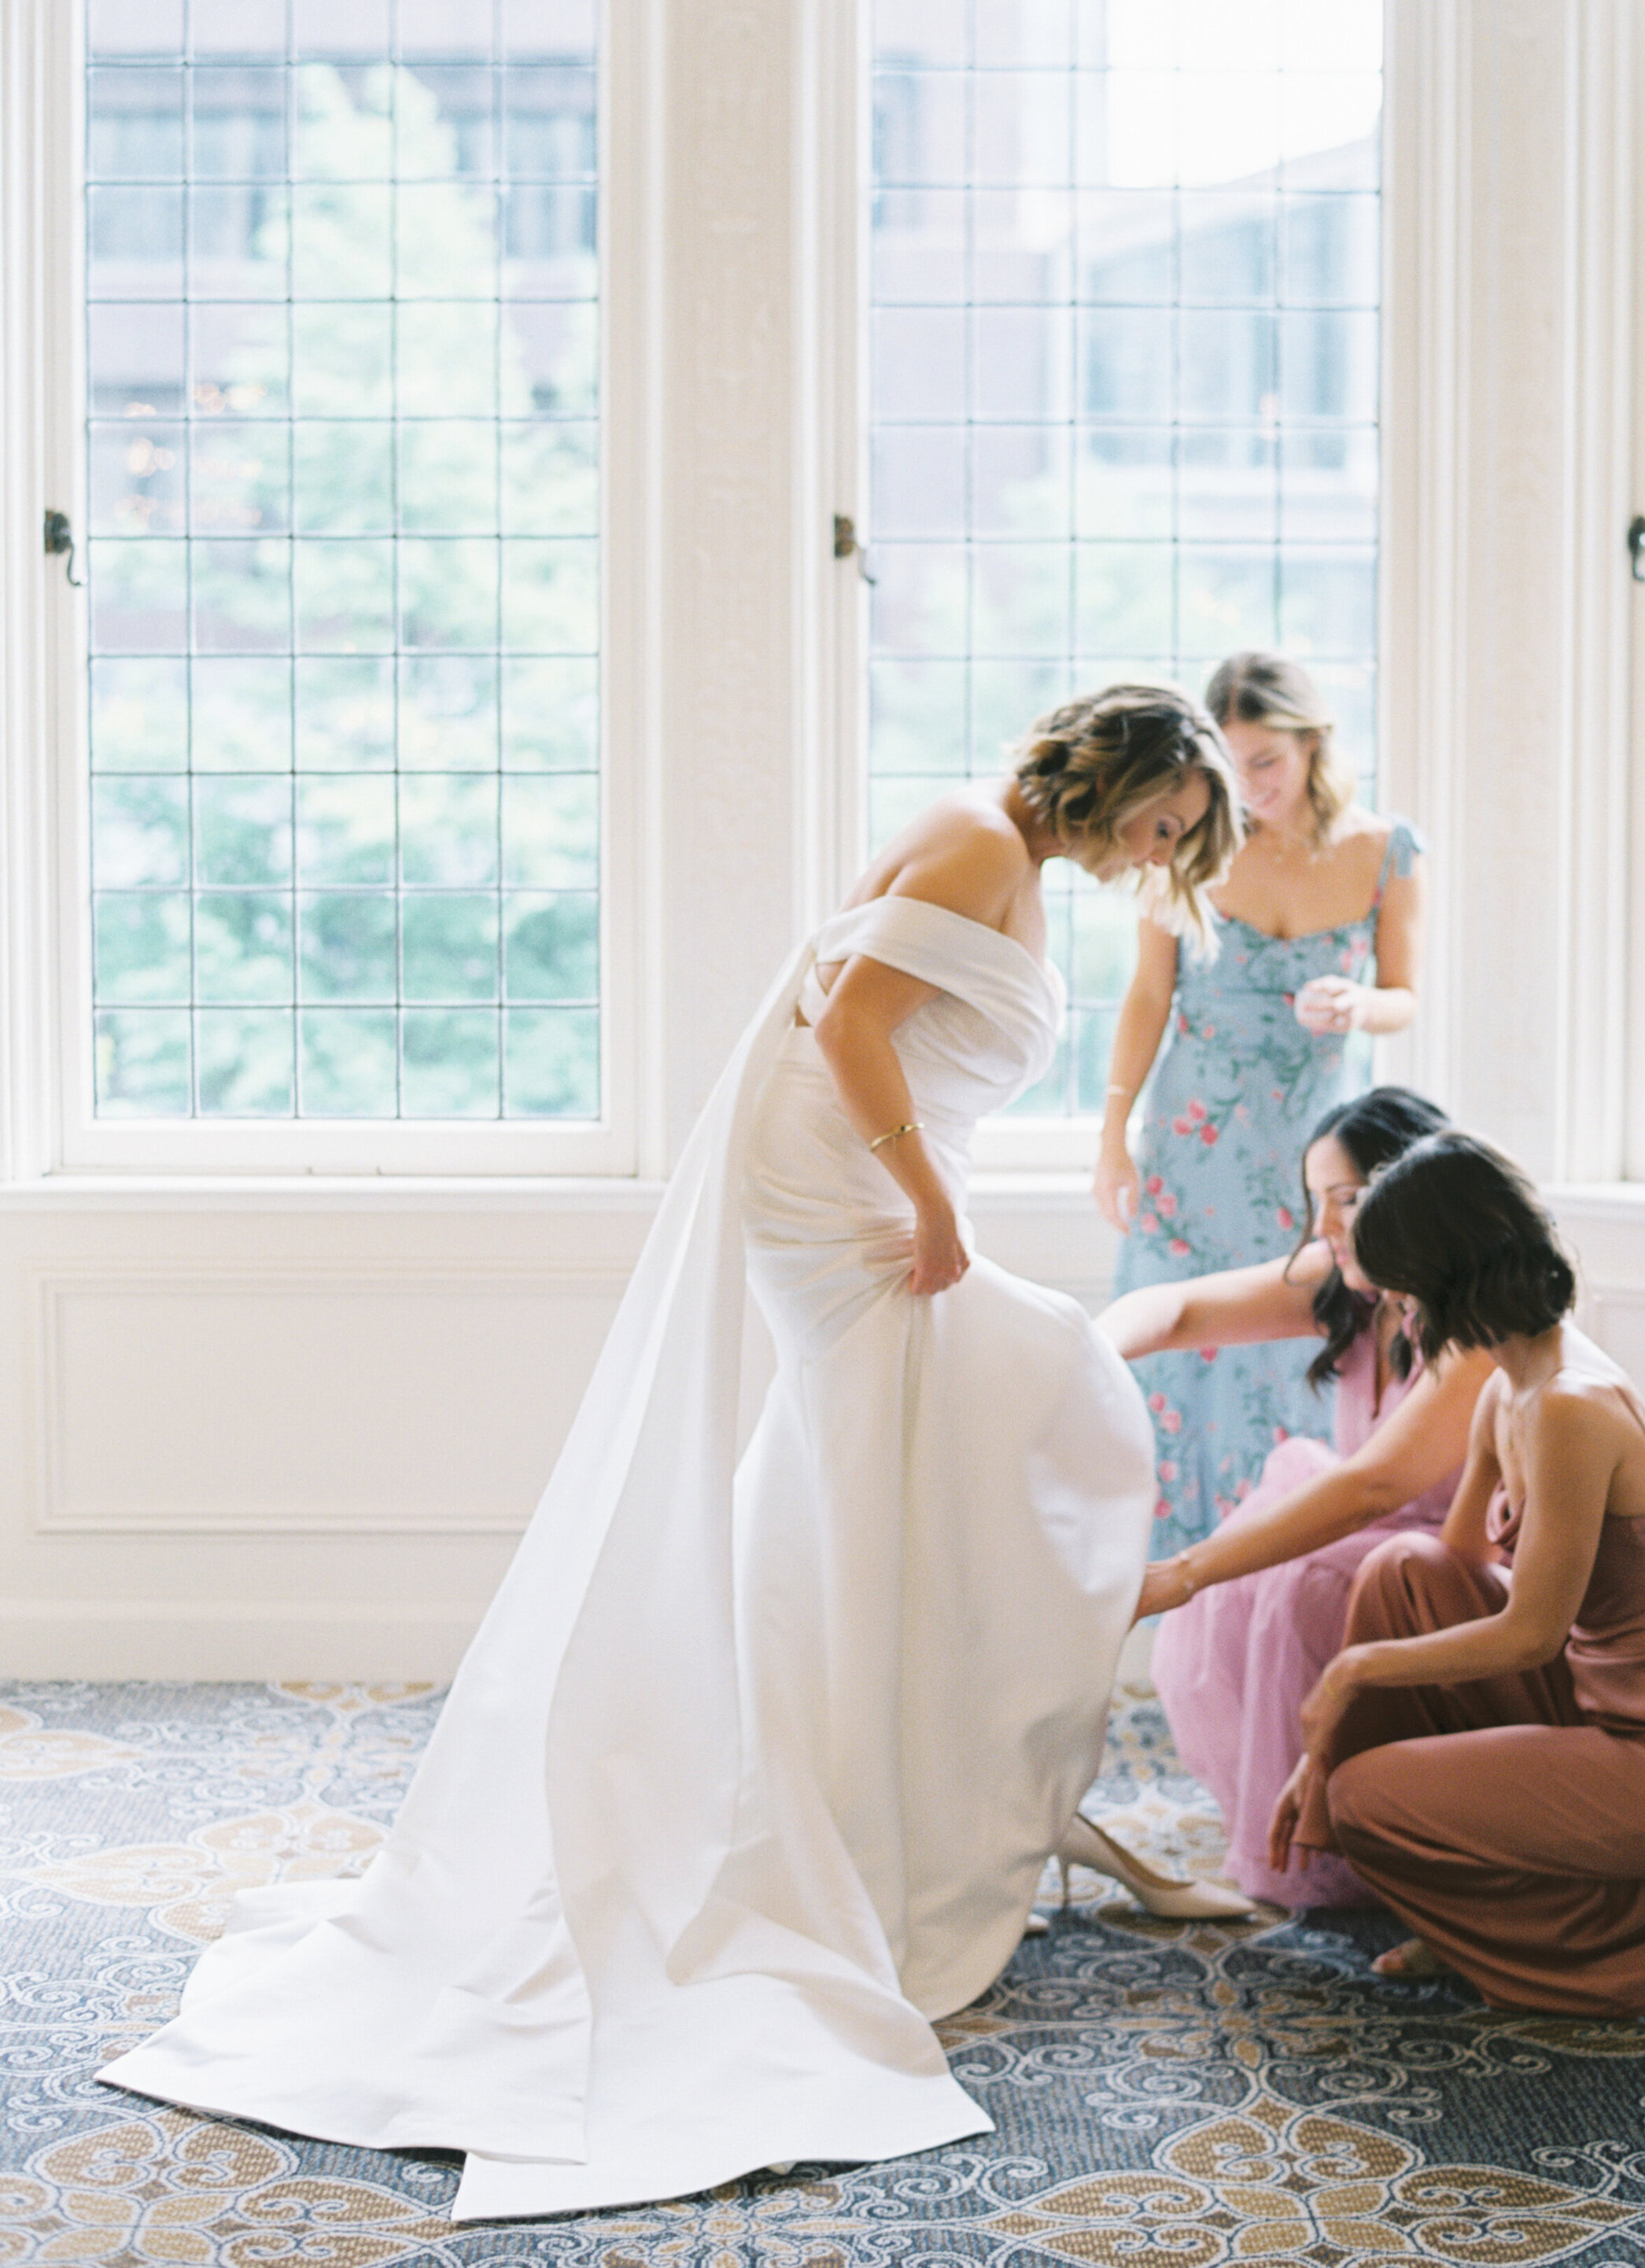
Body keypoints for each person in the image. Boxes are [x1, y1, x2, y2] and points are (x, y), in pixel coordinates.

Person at [99, 684, 1252, 2221]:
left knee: (915, 1458)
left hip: (855, 1164)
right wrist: (927, 1197)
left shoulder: (1001, 853)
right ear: (1111, 780)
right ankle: (878, 1779)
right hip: (847, 1178)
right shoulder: (982, 840)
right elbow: (841, 1021)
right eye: (1163, 821)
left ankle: (924, 1766)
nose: (1156, 852)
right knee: (1023, 1392)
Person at [1271, 1133, 1645, 2018]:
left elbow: (1530, 1633)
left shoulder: (1570, 1408)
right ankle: (1520, 1904)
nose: (1393, 1306)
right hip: (1608, 1697)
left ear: (1441, 1279)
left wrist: (1351, 1678)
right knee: (1404, 1568)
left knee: (1364, 1802)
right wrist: (1339, 1722)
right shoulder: (1508, 1386)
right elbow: (1461, 1558)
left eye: (1399, 1286)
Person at [1096, 1088, 1492, 1908]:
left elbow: (1373, 1484)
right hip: (1363, 1526)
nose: (1324, 1228)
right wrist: (1087, 1355)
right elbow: (1178, 1308)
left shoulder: (1475, 1324)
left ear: (1411, 1192)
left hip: (1450, 1560)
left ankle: (1341, 1840)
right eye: (1315, 1202)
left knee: (1294, 1575)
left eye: (1344, 1201)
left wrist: (1184, 1571)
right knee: (1281, 1511)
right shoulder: (1350, 1278)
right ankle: (1291, 1821)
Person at [1096, 652, 1426, 1558]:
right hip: (1193, 1152)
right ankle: (1163, 1626)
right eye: (1231, 764)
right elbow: (1145, 996)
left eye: (1268, 762)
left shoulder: (1383, 850)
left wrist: (1362, 1007)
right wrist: (1113, 1134)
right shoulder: (1192, 846)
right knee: (1175, 1369)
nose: (1251, 785)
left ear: (1314, 744)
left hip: (1317, 1163)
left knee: (1305, 1360)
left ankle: (1288, 1594)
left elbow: (1405, 993)